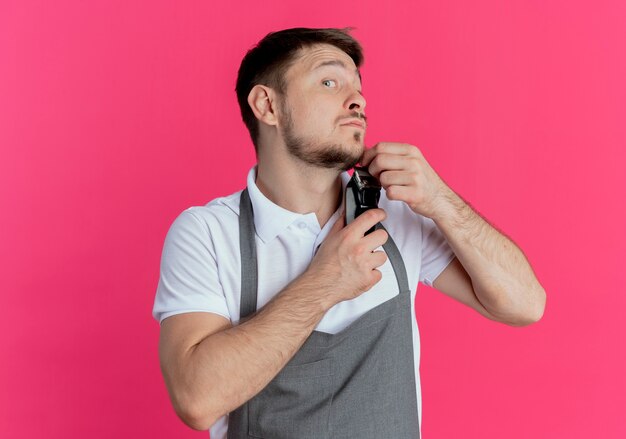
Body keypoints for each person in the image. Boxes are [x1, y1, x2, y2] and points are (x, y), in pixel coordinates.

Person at [152, 27, 546, 438]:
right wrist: (325, 283)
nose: (358, 100)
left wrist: (440, 199)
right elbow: (196, 400)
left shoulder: (395, 213)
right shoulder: (207, 233)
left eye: (358, 88)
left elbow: (525, 304)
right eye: (329, 82)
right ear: (267, 105)